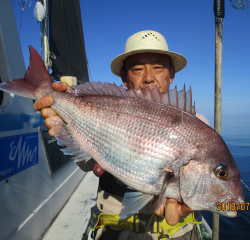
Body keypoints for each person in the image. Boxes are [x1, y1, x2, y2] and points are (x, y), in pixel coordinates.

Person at [34, 30, 205, 239]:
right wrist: (65, 120)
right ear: (124, 77)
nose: (149, 78)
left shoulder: (199, 127)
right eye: (138, 69)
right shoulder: (107, 108)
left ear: (171, 74)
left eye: (158, 67)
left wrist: (192, 201)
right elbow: (88, 164)